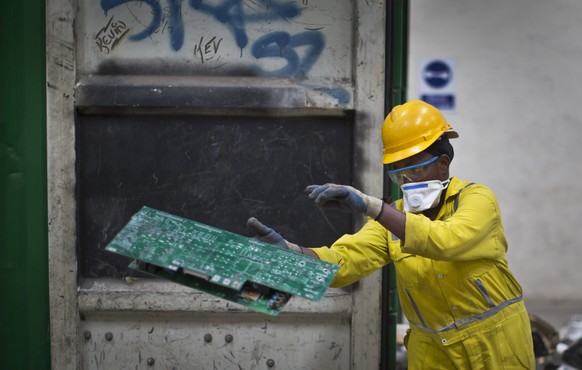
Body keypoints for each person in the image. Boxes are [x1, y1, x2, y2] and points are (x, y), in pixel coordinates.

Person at [247, 100, 536, 369]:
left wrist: (371, 206)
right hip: (433, 352)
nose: (408, 182)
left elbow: (447, 241)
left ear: (443, 163)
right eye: (399, 174)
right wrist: (294, 254)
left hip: (495, 346)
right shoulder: (393, 219)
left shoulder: (477, 200)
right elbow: (342, 264)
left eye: (415, 169)